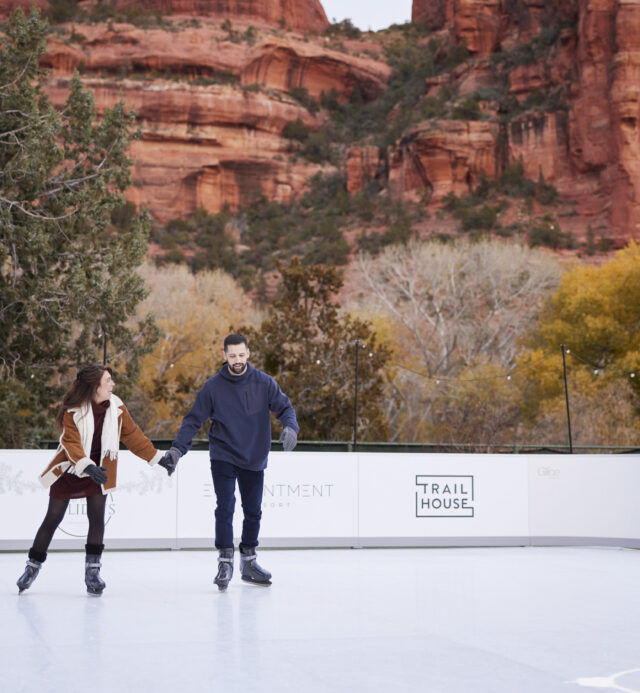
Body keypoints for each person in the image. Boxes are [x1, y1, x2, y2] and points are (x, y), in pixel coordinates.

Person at [16, 364, 174, 595]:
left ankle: (92, 573)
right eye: (108, 380)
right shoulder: (73, 410)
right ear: (95, 387)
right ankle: (32, 567)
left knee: (97, 517)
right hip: (72, 466)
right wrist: (86, 466)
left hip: (99, 468)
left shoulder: (117, 407)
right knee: (53, 517)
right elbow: (70, 444)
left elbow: (133, 436)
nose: (112, 384)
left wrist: (157, 457)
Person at [160, 333, 299, 590]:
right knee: (225, 506)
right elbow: (193, 420)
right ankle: (225, 561)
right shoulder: (213, 387)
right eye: (232, 355)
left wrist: (291, 427)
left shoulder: (263, 383)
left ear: (248, 354)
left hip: (254, 456)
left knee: (253, 511)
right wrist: (178, 450)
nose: (237, 360)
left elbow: (286, 408)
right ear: (224, 356)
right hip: (223, 455)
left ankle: (248, 562)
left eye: (241, 355)